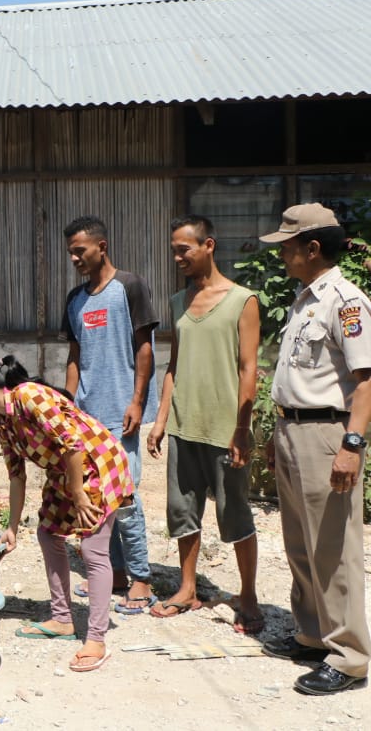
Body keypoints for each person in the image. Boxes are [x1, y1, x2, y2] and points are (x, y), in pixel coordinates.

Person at [0, 355, 133, 673]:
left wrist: (79, 494)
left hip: (95, 464)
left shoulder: (28, 396)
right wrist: (11, 527)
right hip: (66, 472)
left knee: (93, 549)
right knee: (48, 532)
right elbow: (16, 476)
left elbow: (74, 444)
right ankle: (62, 619)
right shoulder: (3, 421)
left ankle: (96, 639)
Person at [257, 203, 369, 695]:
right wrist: (274, 435)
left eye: (287, 245)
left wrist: (352, 445)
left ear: (313, 248)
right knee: (300, 541)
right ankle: (311, 633)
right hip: (291, 431)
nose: (282, 253)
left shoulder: (345, 301)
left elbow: (366, 383)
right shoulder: (306, 298)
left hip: (327, 434)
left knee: (333, 548)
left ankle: (348, 657)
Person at [146, 216, 262, 630]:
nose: (177, 256)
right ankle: (187, 587)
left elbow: (249, 369)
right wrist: (159, 420)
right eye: (174, 249)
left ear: (208, 245)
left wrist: (242, 428)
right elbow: (173, 367)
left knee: (235, 516)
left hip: (225, 428)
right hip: (183, 424)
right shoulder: (179, 302)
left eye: (184, 249)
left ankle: (248, 595)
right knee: (182, 512)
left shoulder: (242, 300)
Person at [62, 215, 158, 615]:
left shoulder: (129, 287)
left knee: (126, 497)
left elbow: (145, 349)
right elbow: (74, 355)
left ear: (101, 246)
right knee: (99, 497)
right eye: (70, 253)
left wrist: (137, 401)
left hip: (122, 412)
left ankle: (141, 578)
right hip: (87, 414)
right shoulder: (74, 300)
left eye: (79, 251)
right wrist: (66, 405)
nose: (74, 259)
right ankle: (114, 571)